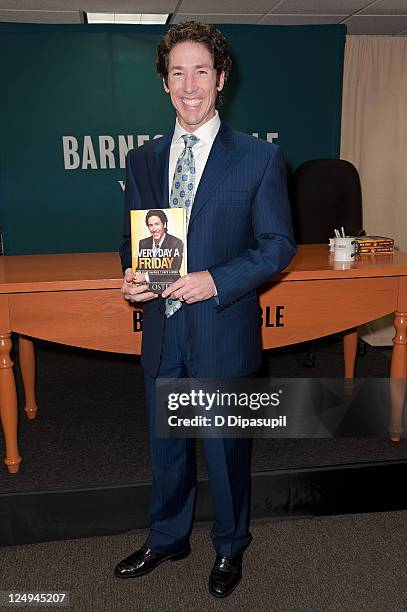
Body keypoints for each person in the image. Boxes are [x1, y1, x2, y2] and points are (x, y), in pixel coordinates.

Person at [116, 21, 296, 598]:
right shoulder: (144, 159)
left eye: (201, 71)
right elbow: (134, 240)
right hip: (162, 333)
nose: (189, 85)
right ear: (164, 84)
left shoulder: (259, 159)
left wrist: (215, 280)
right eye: (177, 73)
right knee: (166, 450)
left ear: (221, 79)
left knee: (224, 455)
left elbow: (276, 246)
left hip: (221, 329)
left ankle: (230, 547)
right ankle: (167, 537)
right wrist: (135, 276)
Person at [138, 209, 184, 290]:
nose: (154, 229)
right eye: (150, 225)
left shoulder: (176, 243)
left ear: (164, 224)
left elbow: (172, 270)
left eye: (157, 224)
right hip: (146, 289)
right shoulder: (143, 243)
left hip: (170, 287)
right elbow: (140, 267)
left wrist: (145, 277)